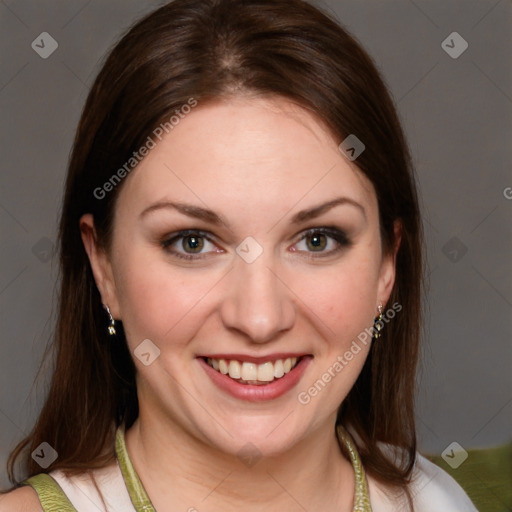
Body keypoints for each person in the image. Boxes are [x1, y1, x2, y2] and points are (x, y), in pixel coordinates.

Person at [0, 0, 478, 510]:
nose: (259, 318)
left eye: (317, 240)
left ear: (387, 266)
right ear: (104, 268)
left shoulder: (444, 501)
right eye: (192, 242)